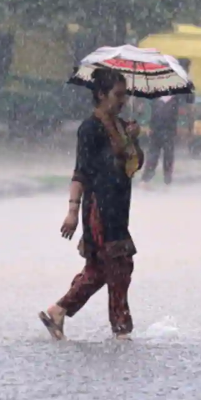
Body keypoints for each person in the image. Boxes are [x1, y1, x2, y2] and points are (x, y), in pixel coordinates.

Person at [39, 68, 144, 341]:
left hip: (120, 206)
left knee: (98, 270)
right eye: (117, 95)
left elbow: (133, 164)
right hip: (100, 208)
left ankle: (58, 311)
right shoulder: (90, 128)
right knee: (120, 265)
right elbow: (81, 172)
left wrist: (134, 140)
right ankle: (121, 329)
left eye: (124, 95)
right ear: (101, 94)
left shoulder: (122, 125)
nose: (122, 100)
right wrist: (73, 211)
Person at [141, 58, 194, 186]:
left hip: (160, 123)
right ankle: (163, 180)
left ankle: (149, 179)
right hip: (165, 124)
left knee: (157, 151)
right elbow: (189, 99)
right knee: (164, 152)